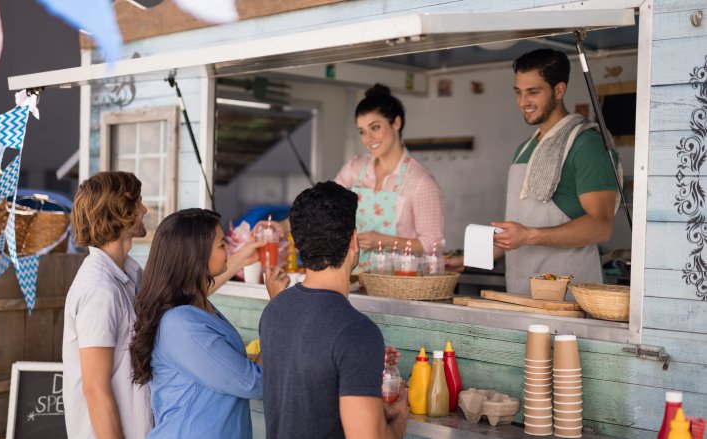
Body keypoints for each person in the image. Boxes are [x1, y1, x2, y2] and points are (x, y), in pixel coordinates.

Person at [446, 49, 621, 293]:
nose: (522, 102)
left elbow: (601, 227)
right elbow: (517, 235)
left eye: (533, 92)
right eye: (518, 92)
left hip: (570, 298)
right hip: (521, 294)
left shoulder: (586, 144)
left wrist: (529, 235)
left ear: (559, 90)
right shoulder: (524, 149)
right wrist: (467, 261)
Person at [259, 181, 409, 439]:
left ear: (298, 245)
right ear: (353, 240)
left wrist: (361, 370)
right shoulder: (357, 332)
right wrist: (398, 418)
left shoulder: (275, 310)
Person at [257, 84, 444, 271]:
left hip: (397, 282)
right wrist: (282, 226)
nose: (368, 138)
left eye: (375, 128)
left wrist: (384, 241)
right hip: (352, 279)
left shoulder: (420, 181)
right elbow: (322, 207)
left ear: (396, 123)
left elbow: (433, 243)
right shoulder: (356, 168)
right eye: (362, 131)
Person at [130, 209, 277, 439]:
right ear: (196, 256)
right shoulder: (181, 325)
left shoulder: (197, 306)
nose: (228, 248)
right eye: (221, 245)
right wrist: (278, 310)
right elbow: (253, 383)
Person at [62, 171, 153, 438]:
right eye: (137, 202)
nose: (144, 209)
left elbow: (175, 294)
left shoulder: (128, 274)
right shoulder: (100, 290)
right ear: (119, 212)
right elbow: (95, 389)